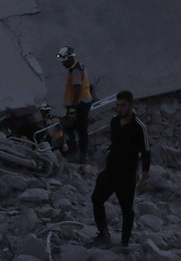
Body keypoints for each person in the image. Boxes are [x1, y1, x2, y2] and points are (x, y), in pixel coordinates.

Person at [88, 91, 151, 249]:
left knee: (126, 210)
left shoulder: (139, 127)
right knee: (96, 199)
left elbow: (146, 153)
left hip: (127, 174)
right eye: (117, 105)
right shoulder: (114, 121)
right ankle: (103, 234)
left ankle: (124, 243)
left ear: (130, 105)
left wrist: (143, 180)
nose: (119, 108)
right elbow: (115, 143)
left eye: (123, 105)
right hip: (110, 171)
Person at [58, 46, 94, 164]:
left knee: (69, 128)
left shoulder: (75, 71)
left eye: (64, 61)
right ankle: (83, 156)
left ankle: (74, 155)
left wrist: (72, 110)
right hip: (83, 103)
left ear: (70, 58)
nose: (63, 64)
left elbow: (77, 89)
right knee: (82, 130)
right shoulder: (79, 66)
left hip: (79, 105)